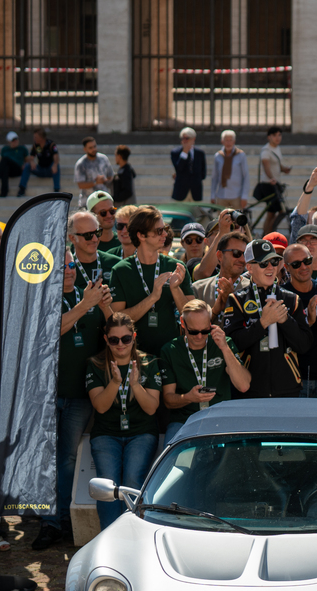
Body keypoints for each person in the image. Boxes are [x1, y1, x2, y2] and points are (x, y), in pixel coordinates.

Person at [32, 261, 112, 549]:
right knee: (47, 459)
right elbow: (46, 334)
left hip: (81, 394)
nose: (68, 270)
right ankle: (49, 522)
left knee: (66, 458)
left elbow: (116, 330)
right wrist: (84, 304)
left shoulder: (89, 292)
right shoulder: (45, 295)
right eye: (62, 265)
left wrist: (103, 307)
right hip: (47, 394)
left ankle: (60, 520)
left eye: (72, 265)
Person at [85, 314, 161, 529]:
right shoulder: (96, 364)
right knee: (107, 484)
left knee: (132, 480)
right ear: (106, 339)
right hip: (106, 434)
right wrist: (116, 382)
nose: (120, 344)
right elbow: (100, 406)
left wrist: (135, 385)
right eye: (114, 339)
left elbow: (151, 407)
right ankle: (109, 536)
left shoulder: (149, 362)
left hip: (141, 432)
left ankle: (132, 533)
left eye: (126, 339)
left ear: (134, 337)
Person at [221, 240, 313, 398]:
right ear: (249, 267)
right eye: (264, 263)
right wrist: (263, 323)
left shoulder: (292, 299)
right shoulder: (236, 300)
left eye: (274, 261)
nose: (271, 267)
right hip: (250, 391)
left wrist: (285, 320)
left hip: (287, 389)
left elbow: (304, 345)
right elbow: (232, 344)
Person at [159, 299, 251, 442]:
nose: (200, 336)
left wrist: (225, 349)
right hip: (185, 420)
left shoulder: (223, 343)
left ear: (210, 325)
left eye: (205, 331)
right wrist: (189, 397)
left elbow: (243, 385)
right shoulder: (170, 350)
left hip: (220, 418)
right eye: (194, 332)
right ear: (183, 324)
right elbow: (168, 400)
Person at [109, 207, 194, 356]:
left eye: (165, 229)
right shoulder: (120, 270)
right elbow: (118, 319)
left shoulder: (175, 267)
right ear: (141, 235)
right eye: (159, 231)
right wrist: (153, 297)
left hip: (171, 353)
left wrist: (176, 290)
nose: (165, 234)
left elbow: (191, 316)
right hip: (134, 354)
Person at [282, 242, 317, 398]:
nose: (303, 267)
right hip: (294, 379)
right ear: (286, 267)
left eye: (306, 261)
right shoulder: (283, 296)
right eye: (296, 264)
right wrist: (308, 323)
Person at [193, 230, 250, 317]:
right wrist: (215, 311)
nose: (242, 259)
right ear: (220, 255)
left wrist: (232, 300)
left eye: (245, 254)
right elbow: (192, 326)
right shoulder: (199, 289)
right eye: (236, 253)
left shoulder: (252, 289)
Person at [67, 209, 122, 294]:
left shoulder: (116, 264)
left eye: (97, 233)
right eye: (88, 235)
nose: (95, 239)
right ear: (72, 238)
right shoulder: (67, 270)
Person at [255, 126, 291, 237]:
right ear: (269, 137)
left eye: (279, 135)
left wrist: (284, 169)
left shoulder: (277, 148)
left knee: (271, 213)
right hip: (268, 185)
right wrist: (272, 178)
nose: (277, 138)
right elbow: (266, 166)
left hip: (275, 184)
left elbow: (276, 165)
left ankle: (265, 235)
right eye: (275, 135)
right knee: (279, 211)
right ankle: (268, 234)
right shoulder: (266, 150)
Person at [210, 130, 249, 210]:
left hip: (236, 195)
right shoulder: (218, 156)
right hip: (221, 195)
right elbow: (215, 177)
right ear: (222, 141)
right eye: (226, 140)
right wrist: (212, 195)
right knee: (222, 220)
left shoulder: (241, 155)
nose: (228, 143)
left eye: (230, 140)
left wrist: (244, 196)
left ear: (234, 141)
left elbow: (246, 176)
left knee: (236, 221)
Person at [18, 128, 60, 196]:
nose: (34, 139)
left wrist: (55, 164)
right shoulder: (36, 146)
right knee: (27, 166)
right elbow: (31, 157)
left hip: (50, 169)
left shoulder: (50, 144)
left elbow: (56, 156)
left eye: (36, 137)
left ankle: (56, 190)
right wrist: (31, 161)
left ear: (41, 137)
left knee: (56, 166)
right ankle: (22, 189)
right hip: (40, 169)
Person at [73, 136, 113, 208]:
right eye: (90, 148)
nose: (94, 149)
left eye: (94, 146)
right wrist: (95, 182)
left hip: (104, 200)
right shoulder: (81, 164)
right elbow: (80, 185)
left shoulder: (103, 159)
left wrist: (104, 180)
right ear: (85, 149)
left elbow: (110, 176)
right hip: (87, 203)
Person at [171, 127, 207, 202]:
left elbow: (203, 173)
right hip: (181, 191)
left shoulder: (200, 153)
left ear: (193, 139)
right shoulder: (175, 152)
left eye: (187, 138)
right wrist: (184, 152)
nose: (185, 141)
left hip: (195, 191)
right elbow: (179, 168)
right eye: (183, 138)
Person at [86, 191, 123, 257]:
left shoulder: (123, 241)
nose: (109, 215)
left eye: (112, 210)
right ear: (92, 215)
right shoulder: (86, 244)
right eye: (103, 212)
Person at [0, 131, 26, 198]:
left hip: (18, 169)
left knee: (6, 159)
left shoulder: (22, 149)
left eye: (16, 139)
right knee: (5, 169)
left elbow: (28, 159)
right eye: (13, 140)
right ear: (9, 141)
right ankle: (4, 192)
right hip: (9, 170)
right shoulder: (5, 149)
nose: (15, 141)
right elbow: (2, 162)